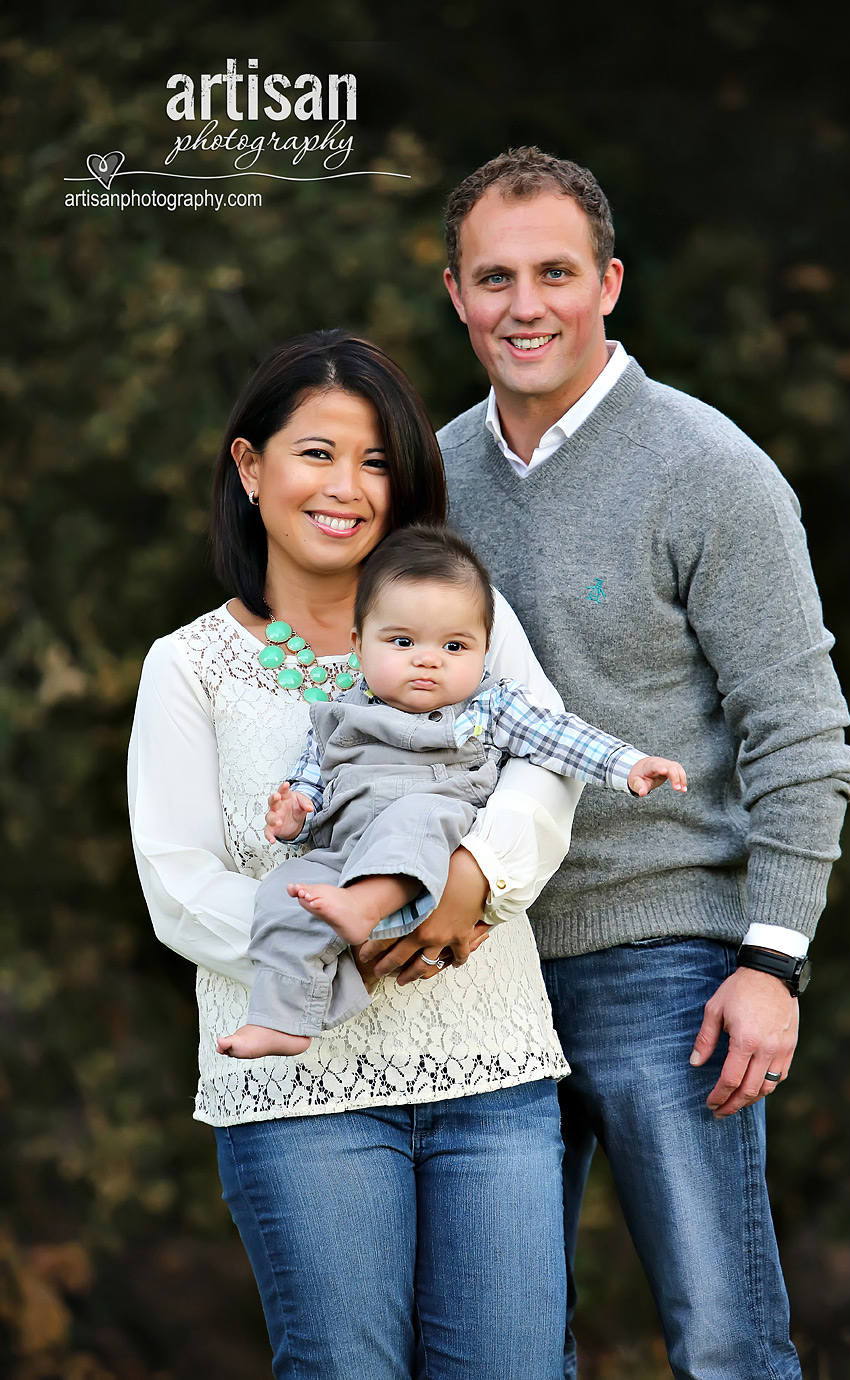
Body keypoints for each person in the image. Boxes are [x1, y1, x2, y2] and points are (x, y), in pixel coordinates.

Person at [435, 148, 850, 1379]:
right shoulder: (434, 478)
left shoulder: (704, 467)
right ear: (454, 296)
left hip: (663, 964)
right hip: (484, 960)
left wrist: (770, 959)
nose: (526, 305)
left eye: (554, 272)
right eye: (494, 277)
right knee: (502, 1351)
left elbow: (799, 728)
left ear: (607, 283)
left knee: (723, 1340)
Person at [127, 329, 584, 1379]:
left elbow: (543, 765)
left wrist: (461, 889)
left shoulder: (462, 617)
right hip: (298, 1100)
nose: (348, 487)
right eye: (317, 453)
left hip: (490, 1074)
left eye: (377, 460)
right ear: (250, 469)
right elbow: (177, 882)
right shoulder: (190, 667)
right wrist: (338, 942)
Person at [217, 523, 687, 1060]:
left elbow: (560, 736)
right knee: (282, 893)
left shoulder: (490, 705)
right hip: (341, 851)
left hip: (428, 834)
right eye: (402, 641)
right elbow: (312, 777)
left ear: (485, 651)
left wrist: (626, 764)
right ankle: (283, 1018)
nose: (428, 658)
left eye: (455, 645)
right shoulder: (342, 709)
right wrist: (295, 814)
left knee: (416, 814)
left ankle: (365, 906)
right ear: (358, 644)